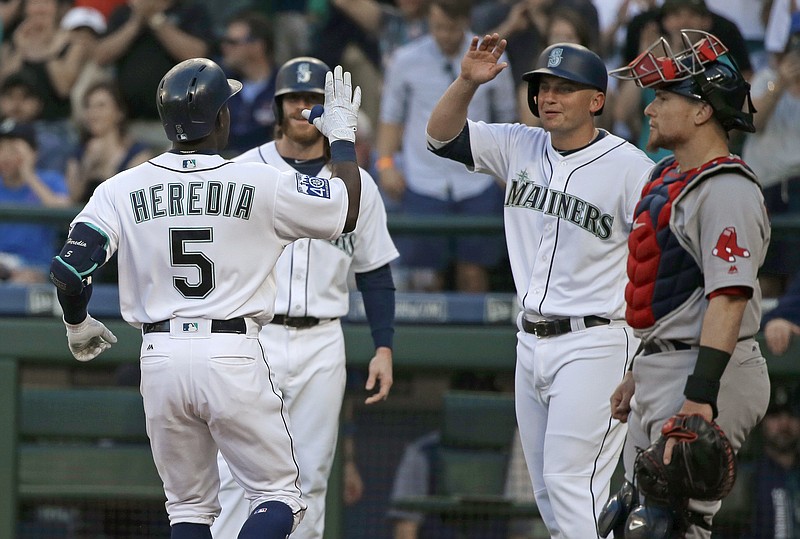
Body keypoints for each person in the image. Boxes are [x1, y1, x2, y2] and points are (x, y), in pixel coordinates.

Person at [48, 57, 363, 538]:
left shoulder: (119, 187)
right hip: (231, 353)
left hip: (159, 358)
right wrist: (341, 138)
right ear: (220, 118)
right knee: (279, 497)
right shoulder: (260, 181)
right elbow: (345, 211)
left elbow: (70, 270)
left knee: (189, 508)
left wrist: (77, 323)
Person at [426, 33, 653, 536]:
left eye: (564, 88)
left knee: (571, 483)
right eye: (543, 87)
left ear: (596, 101)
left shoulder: (633, 170)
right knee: (553, 496)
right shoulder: (518, 144)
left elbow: (661, 263)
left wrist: (646, 352)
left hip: (596, 340)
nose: (548, 97)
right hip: (530, 341)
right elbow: (441, 136)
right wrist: (466, 81)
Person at [211, 56, 398, 539]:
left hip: (322, 342)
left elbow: (375, 271)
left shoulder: (358, 185)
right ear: (277, 106)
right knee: (236, 476)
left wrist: (383, 346)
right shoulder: (244, 170)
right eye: (295, 99)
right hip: (254, 335)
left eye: (315, 101)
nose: (303, 108)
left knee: (311, 478)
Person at [606, 29, 771, 538]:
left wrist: (700, 396)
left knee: (670, 526)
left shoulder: (726, 189)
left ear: (702, 111)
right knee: (631, 516)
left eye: (666, 97)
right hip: (666, 363)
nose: (650, 109)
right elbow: (676, 298)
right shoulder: (667, 178)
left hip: (708, 371)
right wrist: (641, 369)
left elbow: (728, 299)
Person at [379, 0, 517, 293]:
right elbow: (390, 119)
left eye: (452, 28)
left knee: (473, 272)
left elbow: (506, 118)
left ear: (465, 22)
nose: (444, 34)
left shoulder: (490, 57)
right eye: (438, 26)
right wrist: (386, 164)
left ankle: (475, 338)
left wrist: (506, 170)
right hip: (422, 180)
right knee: (425, 278)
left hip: (476, 181)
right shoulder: (405, 59)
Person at [94, 0, 213, 150]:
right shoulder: (123, 13)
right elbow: (100, 56)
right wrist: (136, 21)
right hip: (130, 125)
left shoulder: (190, 11)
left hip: (178, 125)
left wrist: (155, 19)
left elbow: (196, 55)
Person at [742, 12, 800, 297]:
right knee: (766, 276)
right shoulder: (767, 79)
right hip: (768, 189)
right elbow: (751, 123)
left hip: (798, 186)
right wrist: (780, 83)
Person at [0, 120, 70, 283]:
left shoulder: (51, 180)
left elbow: (64, 212)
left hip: (35, 266)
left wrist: (28, 174)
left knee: (22, 282)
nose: (6, 156)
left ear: (33, 152)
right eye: (2, 148)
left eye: (14, 149)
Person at [66, 80, 153, 204]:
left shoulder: (138, 154)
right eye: (88, 106)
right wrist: (87, 166)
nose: (93, 113)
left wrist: (107, 168)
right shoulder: (78, 153)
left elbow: (130, 199)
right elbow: (73, 198)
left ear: (119, 112)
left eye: (101, 106)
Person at [218, 9, 278, 157]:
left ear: (258, 45)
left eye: (232, 42)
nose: (224, 47)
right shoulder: (220, 84)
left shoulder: (283, 85)